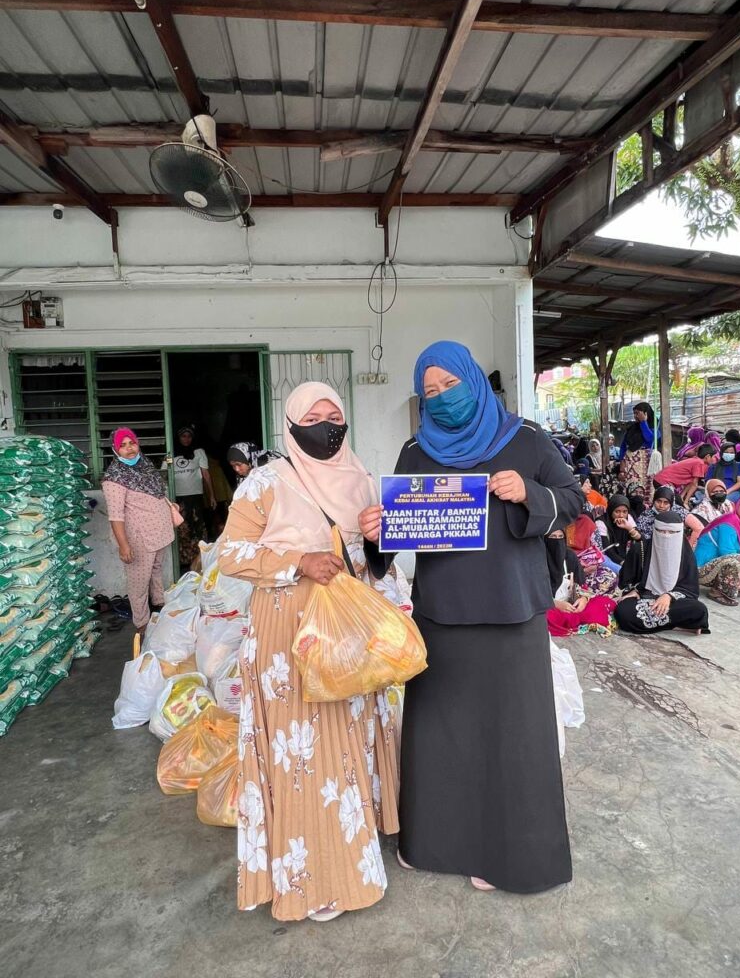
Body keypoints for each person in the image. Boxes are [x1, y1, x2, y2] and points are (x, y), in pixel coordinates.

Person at [360, 341, 583, 896]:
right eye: (430, 392)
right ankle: (434, 845)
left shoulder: (526, 440)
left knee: (511, 738)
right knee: (441, 738)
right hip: (442, 619)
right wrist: (375, 534)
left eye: (450, 386)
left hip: (512, 617)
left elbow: (574, 500)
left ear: (474, 383)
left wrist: (527, 491)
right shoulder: (416, 451)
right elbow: (397, 532)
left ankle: (508, 855)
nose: (441, 399)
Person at [217, 383, 399, 923]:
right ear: (292, 426)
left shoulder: (363, 478)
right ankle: (310, 875)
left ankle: (349, 852)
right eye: (314, 417)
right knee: (304, 751)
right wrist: (299, 559)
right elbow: (230, 553)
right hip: (286, 634)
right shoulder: (267, 482)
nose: (327, 425)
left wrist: (377, 542)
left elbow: (374, 563)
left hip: (345, 626)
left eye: (335, 415)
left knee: (344, 741)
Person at [102, 428, 175, 633]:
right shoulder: (114, 478)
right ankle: (142, 624)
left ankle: (160, 607)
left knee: (156, 572)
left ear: (138, 443)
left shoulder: (145, 465)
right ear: (116, 450)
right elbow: (116, 516)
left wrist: (169, 507)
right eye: (122, 445)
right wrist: (124, 546)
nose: (129, 449)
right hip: (139, 538)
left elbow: (156, 494)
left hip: (158, 534)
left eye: (131, 443)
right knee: (138, 582)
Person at [615, 513, 709, 634]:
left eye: (671, 532)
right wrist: (635, 590)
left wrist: (668, 596)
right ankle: (676, 625)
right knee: (623, 611)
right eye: (661, 531)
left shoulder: (686, 554)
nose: (666, 536)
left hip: (673, 602)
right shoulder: (641, 549)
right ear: (654, 529)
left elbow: (690, 589)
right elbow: (626, 581)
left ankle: (657, 622)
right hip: (645, 599)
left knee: (699, 609)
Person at [694, 493, 740, 606]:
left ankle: (732, 584)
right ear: (739, 505)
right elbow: (727, 552)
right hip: (703, 570)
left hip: (727, 568)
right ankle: (718, 592)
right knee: (737, 558)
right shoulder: (729, 521)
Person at [167, 425, 215, 571]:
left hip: (195, 497)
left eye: (189, 436)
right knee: (182, 529)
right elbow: (165, 474)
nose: (186, 439)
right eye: (183, 436)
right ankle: (184, 561)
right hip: (178, 498)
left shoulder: (198, 452)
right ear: (178, 438)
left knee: (197, 528)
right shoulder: (171, 453)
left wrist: (211, 495)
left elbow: (206, 474)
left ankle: (200, 560)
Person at [651, 444, 718, 508]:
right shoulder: (699, 463)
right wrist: (685, 502)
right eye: (714, 457)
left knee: (676, 502)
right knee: (675, 504)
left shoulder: (696, 460)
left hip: (660, 480)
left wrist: (682, 497)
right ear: (708, 456)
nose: (715, 459)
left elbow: (691, 482)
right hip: (663, 481)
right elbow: (694, 484)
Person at [618, 402, 657, 500]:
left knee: (644, 489)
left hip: (645, 465)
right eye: (634, 413)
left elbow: (649, 439)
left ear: (646, 413)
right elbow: (623, 445)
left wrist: (644, 422)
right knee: (630, 487)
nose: (635, 416)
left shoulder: (655, 425)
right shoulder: (632, 428)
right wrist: (621, 462)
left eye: (638, 413)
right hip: (630, 464)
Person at [686, 478, 733, 549]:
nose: (719, 494)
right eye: (715, 492)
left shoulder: (728, 504)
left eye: (721, 491)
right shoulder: (701, 509)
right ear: (708, 493)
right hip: (707, 541)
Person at [597, 494, 641, 567]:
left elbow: (640, 539)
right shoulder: (601, 522)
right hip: (607, 559)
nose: (621, 515)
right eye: (617, 512)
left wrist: (629, 528)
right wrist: (623, 563)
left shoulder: (628, 518)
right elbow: (607, 550)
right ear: (611, 510)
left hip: (624, 557)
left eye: (624, 512)